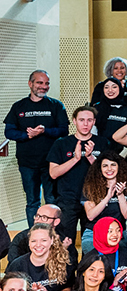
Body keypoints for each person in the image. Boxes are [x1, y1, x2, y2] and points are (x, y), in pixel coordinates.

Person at [5, 70, 69, 225]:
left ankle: (53, 234)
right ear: (30, 84)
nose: (44, 86)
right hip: (27, 163)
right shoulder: (19, 106)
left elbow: (64, 130)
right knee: (32, 201)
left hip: (51, 163)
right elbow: (9, 132)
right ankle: (34, 233)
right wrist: (27, 135)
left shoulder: (56, 105)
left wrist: (44, 131)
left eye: (47, 83)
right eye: (40, 83)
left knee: (52, 199)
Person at [79, 152, 127, 253]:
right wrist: (108, 197)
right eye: (105, 166)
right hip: (93, 234)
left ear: (119, 167)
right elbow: (90, 216)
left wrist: (120, 195)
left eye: (113, 165)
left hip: (118, 235)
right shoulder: (90, 187)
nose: (109, 169)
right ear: (100, 169)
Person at [89, 217, 127, 291]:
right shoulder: (90, 258)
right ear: (100, 233)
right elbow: (85, 290)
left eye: (118, 230)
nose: (115, 234)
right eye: (110, 231)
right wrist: (113, 283)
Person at [90, 78, 127, 143]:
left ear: (120, 89)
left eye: (114, 87)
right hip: (100, 146)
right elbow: (91, 133)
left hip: (122, 147)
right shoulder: (96, 108)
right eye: (106, 87)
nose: (110, 90)